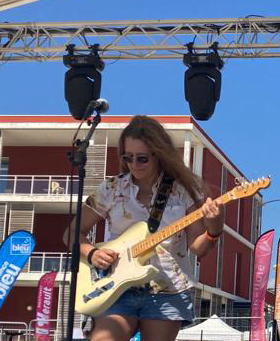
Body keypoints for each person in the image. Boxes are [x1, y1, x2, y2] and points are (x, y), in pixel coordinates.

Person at [64, 115, 224, 341]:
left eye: (142, 158)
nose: (134, 165)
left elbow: (198, 248)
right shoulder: (112, 188)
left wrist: (215, 228)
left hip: (167, 287)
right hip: (115, 286)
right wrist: (92, 253)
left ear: (159, 155)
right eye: (128, 157)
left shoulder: (183, 191)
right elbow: (72, 233)